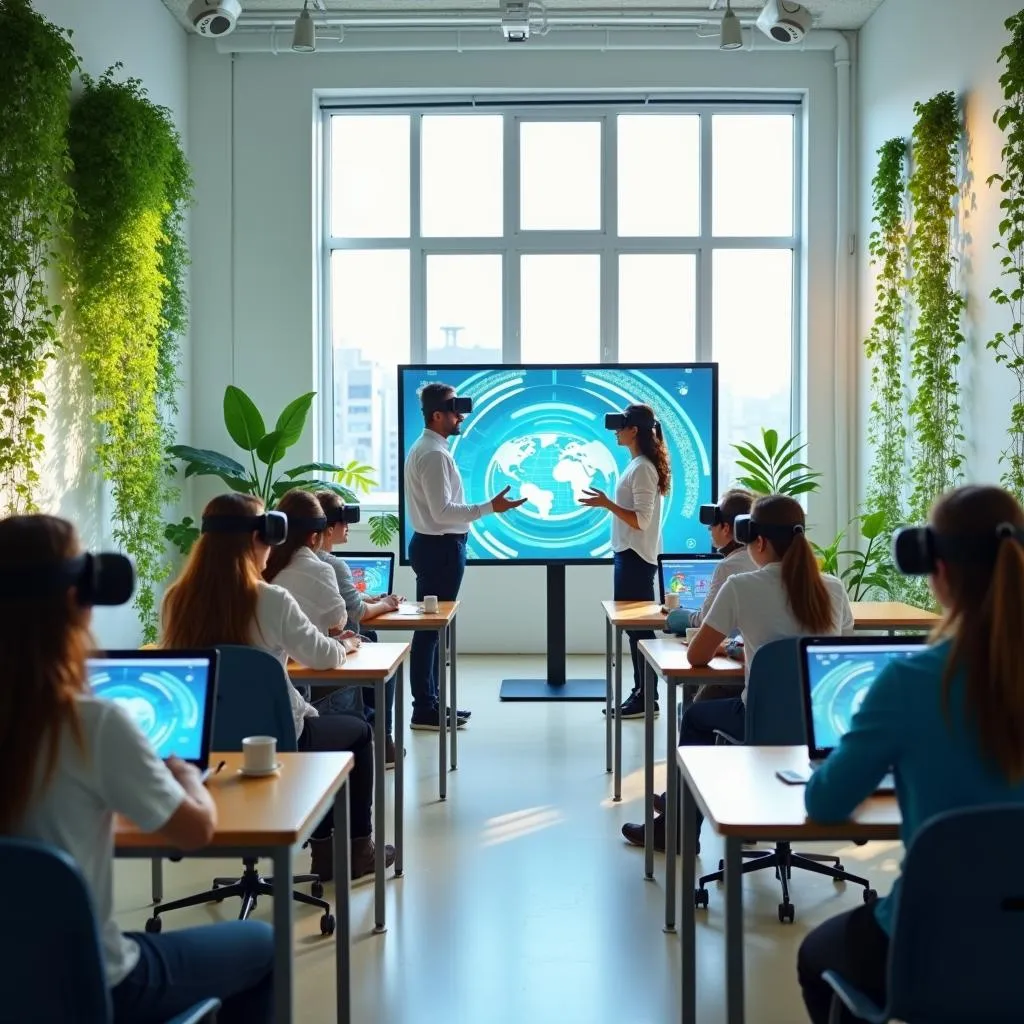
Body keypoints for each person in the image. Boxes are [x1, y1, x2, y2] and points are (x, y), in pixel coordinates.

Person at [0, 514, 274, 1023]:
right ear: (76, 603)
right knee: (262, 944)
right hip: (92, 986)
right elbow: (194, 832)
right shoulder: (91, 724)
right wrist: (190, 779)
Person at [797, 485, 1024, 1023]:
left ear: (936, 568)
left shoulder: (911, 682)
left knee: (816, 956)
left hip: (932, 943)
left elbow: (826, 803)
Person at [162, 492, 393, 882]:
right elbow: (322, 656)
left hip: (201, 745)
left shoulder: (176, 601)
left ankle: (327, 852)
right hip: (273, 741)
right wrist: (345, 644)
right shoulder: (271, 600)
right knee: (358, 733)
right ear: (257, 539)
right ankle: (354, 851)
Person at [621, 494, 854, 852]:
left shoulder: (742, 586)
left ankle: (678, 829)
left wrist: (736, 647)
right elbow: (835, 654)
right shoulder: (834, 588)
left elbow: (697, 656)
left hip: (761, 720)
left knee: (697, 715)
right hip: (823, 725)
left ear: (758, 541)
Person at [404, 382, 526, 730]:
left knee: (434, 629)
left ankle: (433, 704)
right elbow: (442, 512)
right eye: (454, 409)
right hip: (440, 548)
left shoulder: (433, 448)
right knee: (430, 631)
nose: (460, 415)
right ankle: (425, 709)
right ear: (436, 414)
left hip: (438, 547)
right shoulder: (432, 454)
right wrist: (490, 507)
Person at [579, 403, 671, 720]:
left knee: (638, 630)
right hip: (630, 555)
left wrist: (606, 503)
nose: (616, 431)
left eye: (621, 426)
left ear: (635, 431)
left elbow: (642, 521)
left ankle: (647, 695)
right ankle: (643, 693)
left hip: (635, 558)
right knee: (635, 629)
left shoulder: (643, 467)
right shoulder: (638, 465)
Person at [315, 489, 403, 765]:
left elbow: (346, 598)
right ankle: (384, 739)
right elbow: (359, 612)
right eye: (344, 521)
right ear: (329, 529)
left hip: (306, 657)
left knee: (372, 637)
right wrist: (386, 604)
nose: (349, 527)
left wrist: (367, 597)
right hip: (335, 655)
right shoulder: (332, 565)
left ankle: (372, 721)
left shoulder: (284, 563)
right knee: (387, 661)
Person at [263, 489, 364, 722]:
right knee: (360, 728)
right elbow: (337, 624)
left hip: (249, 718)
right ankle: (380, 738)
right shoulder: (317, 570)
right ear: (314, 536)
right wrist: (344, 644)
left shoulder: (258, 577)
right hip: (295, 697)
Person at [690, 488, 756, 703]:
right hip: (804, 708)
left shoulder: (731, 571)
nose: (709, 529)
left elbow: (704, 624)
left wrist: (677, 617)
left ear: (727, 528)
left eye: (713, 525)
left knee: (696, 711)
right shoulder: (832, 586)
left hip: (750, 693)